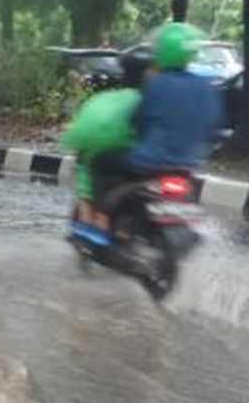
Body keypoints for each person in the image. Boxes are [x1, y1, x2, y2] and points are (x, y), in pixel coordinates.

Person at [89, 23, 226, 245]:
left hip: (150, 162)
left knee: (100, 160)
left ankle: (101, 218)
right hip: (188, 167)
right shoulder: (205, 86)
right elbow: (215, 127)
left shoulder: (158, 84)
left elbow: (139, 121)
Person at [61, 50, 150, 246]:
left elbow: (82, 133)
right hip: (154, 159)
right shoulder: (153, 99)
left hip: (117, 158)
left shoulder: (106, 100)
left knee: (85, 172)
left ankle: (91, 227)